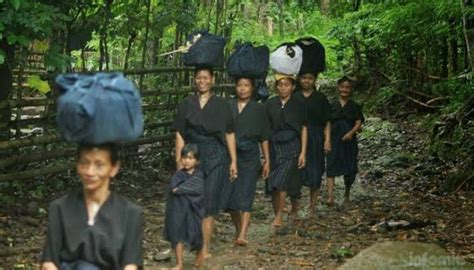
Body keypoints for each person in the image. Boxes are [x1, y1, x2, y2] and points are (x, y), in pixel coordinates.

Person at [41, 143, 143, 270]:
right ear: (77, 165)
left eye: (99, 165)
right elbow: (49, 263)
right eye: (85, 163)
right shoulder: (60, 208)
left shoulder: (130, 212)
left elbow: (130, 265)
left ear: (114, 168)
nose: (90, 172)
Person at [171, 66, 238, 259]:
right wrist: (179, 161)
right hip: (192, 155)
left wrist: (233, 161)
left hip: (216, 154)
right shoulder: (186, 104)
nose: (202, 81)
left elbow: (230, 133)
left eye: (206, 78)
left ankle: (204, 247)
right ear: (195, 80)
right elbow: (180, 135)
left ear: (212, 80)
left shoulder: (222, 105)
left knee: (209, 203)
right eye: (199, 78)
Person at [226, 77, 271, 246]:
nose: (242, 89)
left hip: (250, 155)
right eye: (239, 85)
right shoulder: (228, 106)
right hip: (230, 155)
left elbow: (264, 136)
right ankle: (238, 228)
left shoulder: (259, 109)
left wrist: (267, 160)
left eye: (246, 85)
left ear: (252, 89)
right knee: (229, 197)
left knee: (246, 192)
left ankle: (243, 233)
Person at [265, 74, 308, 227]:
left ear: (293, 87)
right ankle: (280, 210)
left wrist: (303, 152)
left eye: (287, 85)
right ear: (276, 86)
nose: (283, 87)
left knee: (281, 180)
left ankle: (278, 216)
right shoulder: (270, 104)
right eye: (280, 84)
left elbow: (303, 128)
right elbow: (265, 129)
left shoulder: (299, 104)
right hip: (274, 146)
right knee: (272, 182)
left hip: (292, 146)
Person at [294, 72, 331, 217]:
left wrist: (327, 140)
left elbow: (327, 120)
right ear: (299, 79)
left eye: (310, 78)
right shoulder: (294, 97)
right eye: (304, 78)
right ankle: (294, 206)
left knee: (316, 171)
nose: (307, 81)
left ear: (314, 80)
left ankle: (312, 206)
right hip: (297, 137)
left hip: (316, 136)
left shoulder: (320, 98)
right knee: (296, 171)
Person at [164, 144, 205, 269]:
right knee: (177, 235)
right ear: (180, 159)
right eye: (184, 157)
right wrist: (184, 189)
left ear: (197, 160)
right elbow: (174, 190)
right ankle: (179, 263)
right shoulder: (178, 175)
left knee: (197, 234)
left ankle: (199, 258)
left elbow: (198, 188)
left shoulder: (200, 175)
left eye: (191, 158)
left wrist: (182, 189)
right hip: (178, 209)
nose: (187, 161)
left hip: (194, 209)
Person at [326, 76, 365, 206]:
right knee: (331, 165)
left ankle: (347, 194)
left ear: (351, 89)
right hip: (334, 139)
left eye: (347, 87)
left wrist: (350, 133)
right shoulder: (331, 105)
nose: (344, 90)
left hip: (349, 141)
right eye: (342, 87)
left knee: (350, 167)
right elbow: (327, 123)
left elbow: (359, 122)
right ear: (338, 88)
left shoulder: (355, 106)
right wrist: (327, 139)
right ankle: (330, 197)